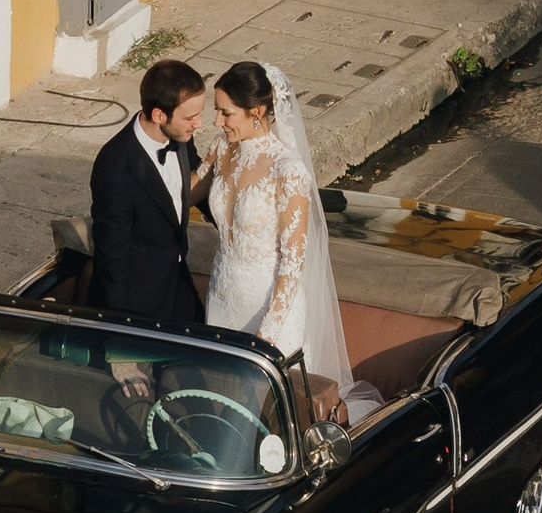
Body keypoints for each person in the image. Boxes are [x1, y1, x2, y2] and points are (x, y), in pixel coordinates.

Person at [205, 57, 354, 416]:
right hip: (222, 299)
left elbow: (293, 261)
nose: (217, 121)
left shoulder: (288, 171)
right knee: (221, 406)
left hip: (268, 310)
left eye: (226, 113)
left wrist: (267, 337)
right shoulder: (221, 150)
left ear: (256, 112)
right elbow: (180, 195)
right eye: (216, 111)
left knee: (267, 417)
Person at [88, 56, 207, 332]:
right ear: (159, 115)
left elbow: (195, 181)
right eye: (190, 117)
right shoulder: (115, 166)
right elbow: (112, 257)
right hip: (139, 302)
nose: (199, 123)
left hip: (178, 283)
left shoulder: (179, 136)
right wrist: (120, 334)